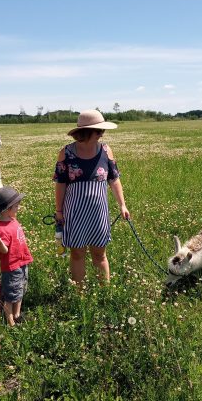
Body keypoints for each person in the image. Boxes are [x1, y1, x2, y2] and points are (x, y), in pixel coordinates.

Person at [53, 109, 130, 286]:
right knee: (77, 253)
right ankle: (79, 293)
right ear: (87, 132)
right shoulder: (66, 153)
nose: (102, 134)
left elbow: (114, 180)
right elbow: (60, 183)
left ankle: (104, 292)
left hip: (98, 212)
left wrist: (122, 206)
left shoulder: (106, 150)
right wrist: (59, 211)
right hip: (74, 212)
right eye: (99, 130)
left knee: (99, 254)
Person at [0, 186, 33, 326]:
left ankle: (17, 314)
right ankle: (10, 322)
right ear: (7, 210)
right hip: (12, 267)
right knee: (10, 296)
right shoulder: (1, 229)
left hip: (22, 262)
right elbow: (4, 251)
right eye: (16, 206)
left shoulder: (12, 220)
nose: (18, 208)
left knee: (19, 291)